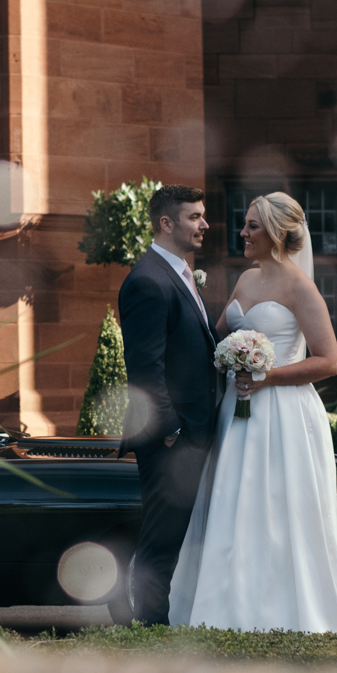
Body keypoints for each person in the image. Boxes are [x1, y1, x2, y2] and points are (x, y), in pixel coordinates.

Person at [167, 191, 337, 634]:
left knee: (276, 512)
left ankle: (286, 614)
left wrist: (267, 376)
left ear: (274, 233)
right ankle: (224, 610)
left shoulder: (300, 288)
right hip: (236, 409)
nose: (242, 232)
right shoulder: (246, 280)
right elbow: (217, 338)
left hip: (282, 416)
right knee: (232, 504)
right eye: (245, 224)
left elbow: (328, 360)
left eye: (251, 226)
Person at [117, 184, 220, 625]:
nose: (205, 224)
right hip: (170, 442)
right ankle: (150, 632)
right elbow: (144, 370)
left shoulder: (175, 274)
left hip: (189, 436)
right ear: (167, 223)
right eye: (195, 216)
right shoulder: (147, 280)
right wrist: (173, 432)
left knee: (173, 540)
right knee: (160, 545)